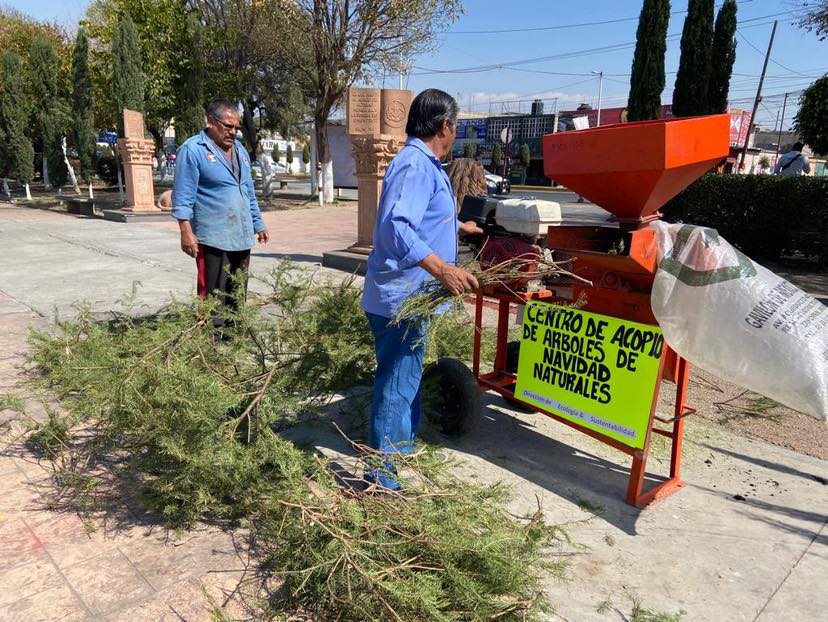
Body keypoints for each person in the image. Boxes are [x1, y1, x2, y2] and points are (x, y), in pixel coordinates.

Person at [361, 89, 482, 490]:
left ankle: (402, 445)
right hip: (403, 299)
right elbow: (396, 227)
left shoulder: (425, 164)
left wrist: (456, 227)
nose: (455, 133)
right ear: (445, 125)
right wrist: (442, 269)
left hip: (412, 296)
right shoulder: (415, 164)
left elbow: (420, 217)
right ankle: (382, 475)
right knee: (396, 382)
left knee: (406, 377)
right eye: (456, 126)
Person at [171, 98, 269, 334]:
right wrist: (186, 232)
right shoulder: (193, 150)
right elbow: (183, 196)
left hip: (241, 235)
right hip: (212, 237)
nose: (233, 132)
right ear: (211, 122)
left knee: (237, 290)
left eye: (236, 128)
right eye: (228, 126)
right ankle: (210, 341)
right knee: (213, 293)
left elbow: (248, 192)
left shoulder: (241, 152)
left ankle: (234, 335)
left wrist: (258, 223)